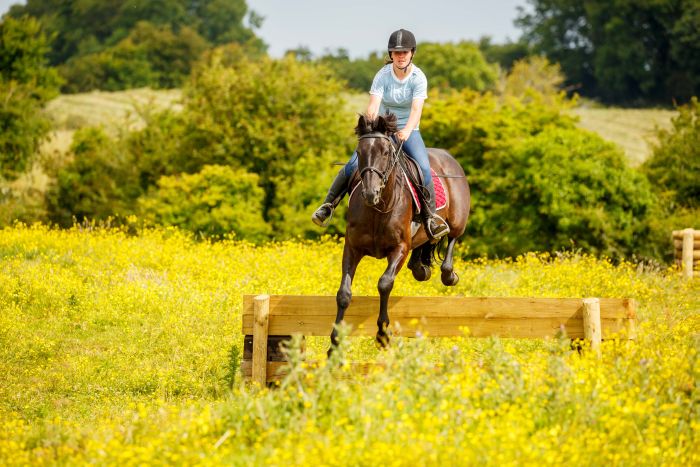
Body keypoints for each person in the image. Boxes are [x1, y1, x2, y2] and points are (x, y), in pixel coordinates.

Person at [311, 28, 449, 241]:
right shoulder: (383, 75)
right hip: (383, 129)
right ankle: (328, 206)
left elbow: (416, 110)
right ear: (391, 54)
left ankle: (430, 218)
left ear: (412, 53)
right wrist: (372, 126)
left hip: (409, 130)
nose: (400, 56)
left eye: (404, 52)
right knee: (352, 165)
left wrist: (406, 130)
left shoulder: (418, 77)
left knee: (423, 168)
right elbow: (374, 104)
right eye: (396, 52)